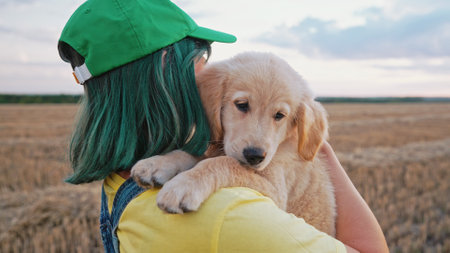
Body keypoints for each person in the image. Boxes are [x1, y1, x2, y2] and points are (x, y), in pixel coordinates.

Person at [58, 0, 389, 252]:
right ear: (165, 69)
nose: (207, 76)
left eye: (279, 116)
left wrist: (310, 137)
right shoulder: (225, 214)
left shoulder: (124, 181)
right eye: (201, 61)